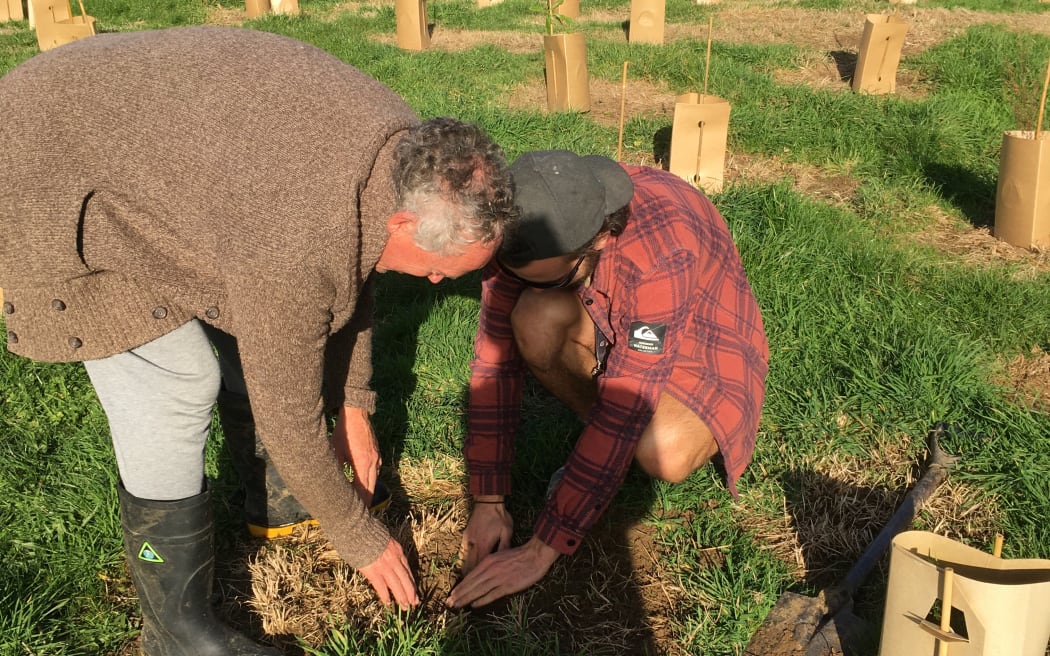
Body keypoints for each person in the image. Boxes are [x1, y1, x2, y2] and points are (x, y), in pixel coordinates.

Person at [0, 26, 516, 654]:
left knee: (272, 326)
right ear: (404, 219)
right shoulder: (293, 238)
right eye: (437, 268)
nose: (434, 282)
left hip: (130, 131)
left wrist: (354, 403)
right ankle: (176, 635)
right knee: (178, 382)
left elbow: (354, 268)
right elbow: (288, 415)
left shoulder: (404, 153)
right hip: (40, 170)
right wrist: (361, 537)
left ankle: (263, 501)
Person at [446, 150, 769, 609]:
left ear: (598, 238)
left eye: (553, 280)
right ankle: (598, 459)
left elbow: (625, 403)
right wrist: (487, 501)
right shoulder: (516, 229)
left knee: (665, 453)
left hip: (704, 335)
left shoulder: (663, 250)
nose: (534, 287)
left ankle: (605, 460)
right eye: (524, 279)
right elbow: (493, 367)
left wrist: (543, 549)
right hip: (614, 307)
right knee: (534, 321)